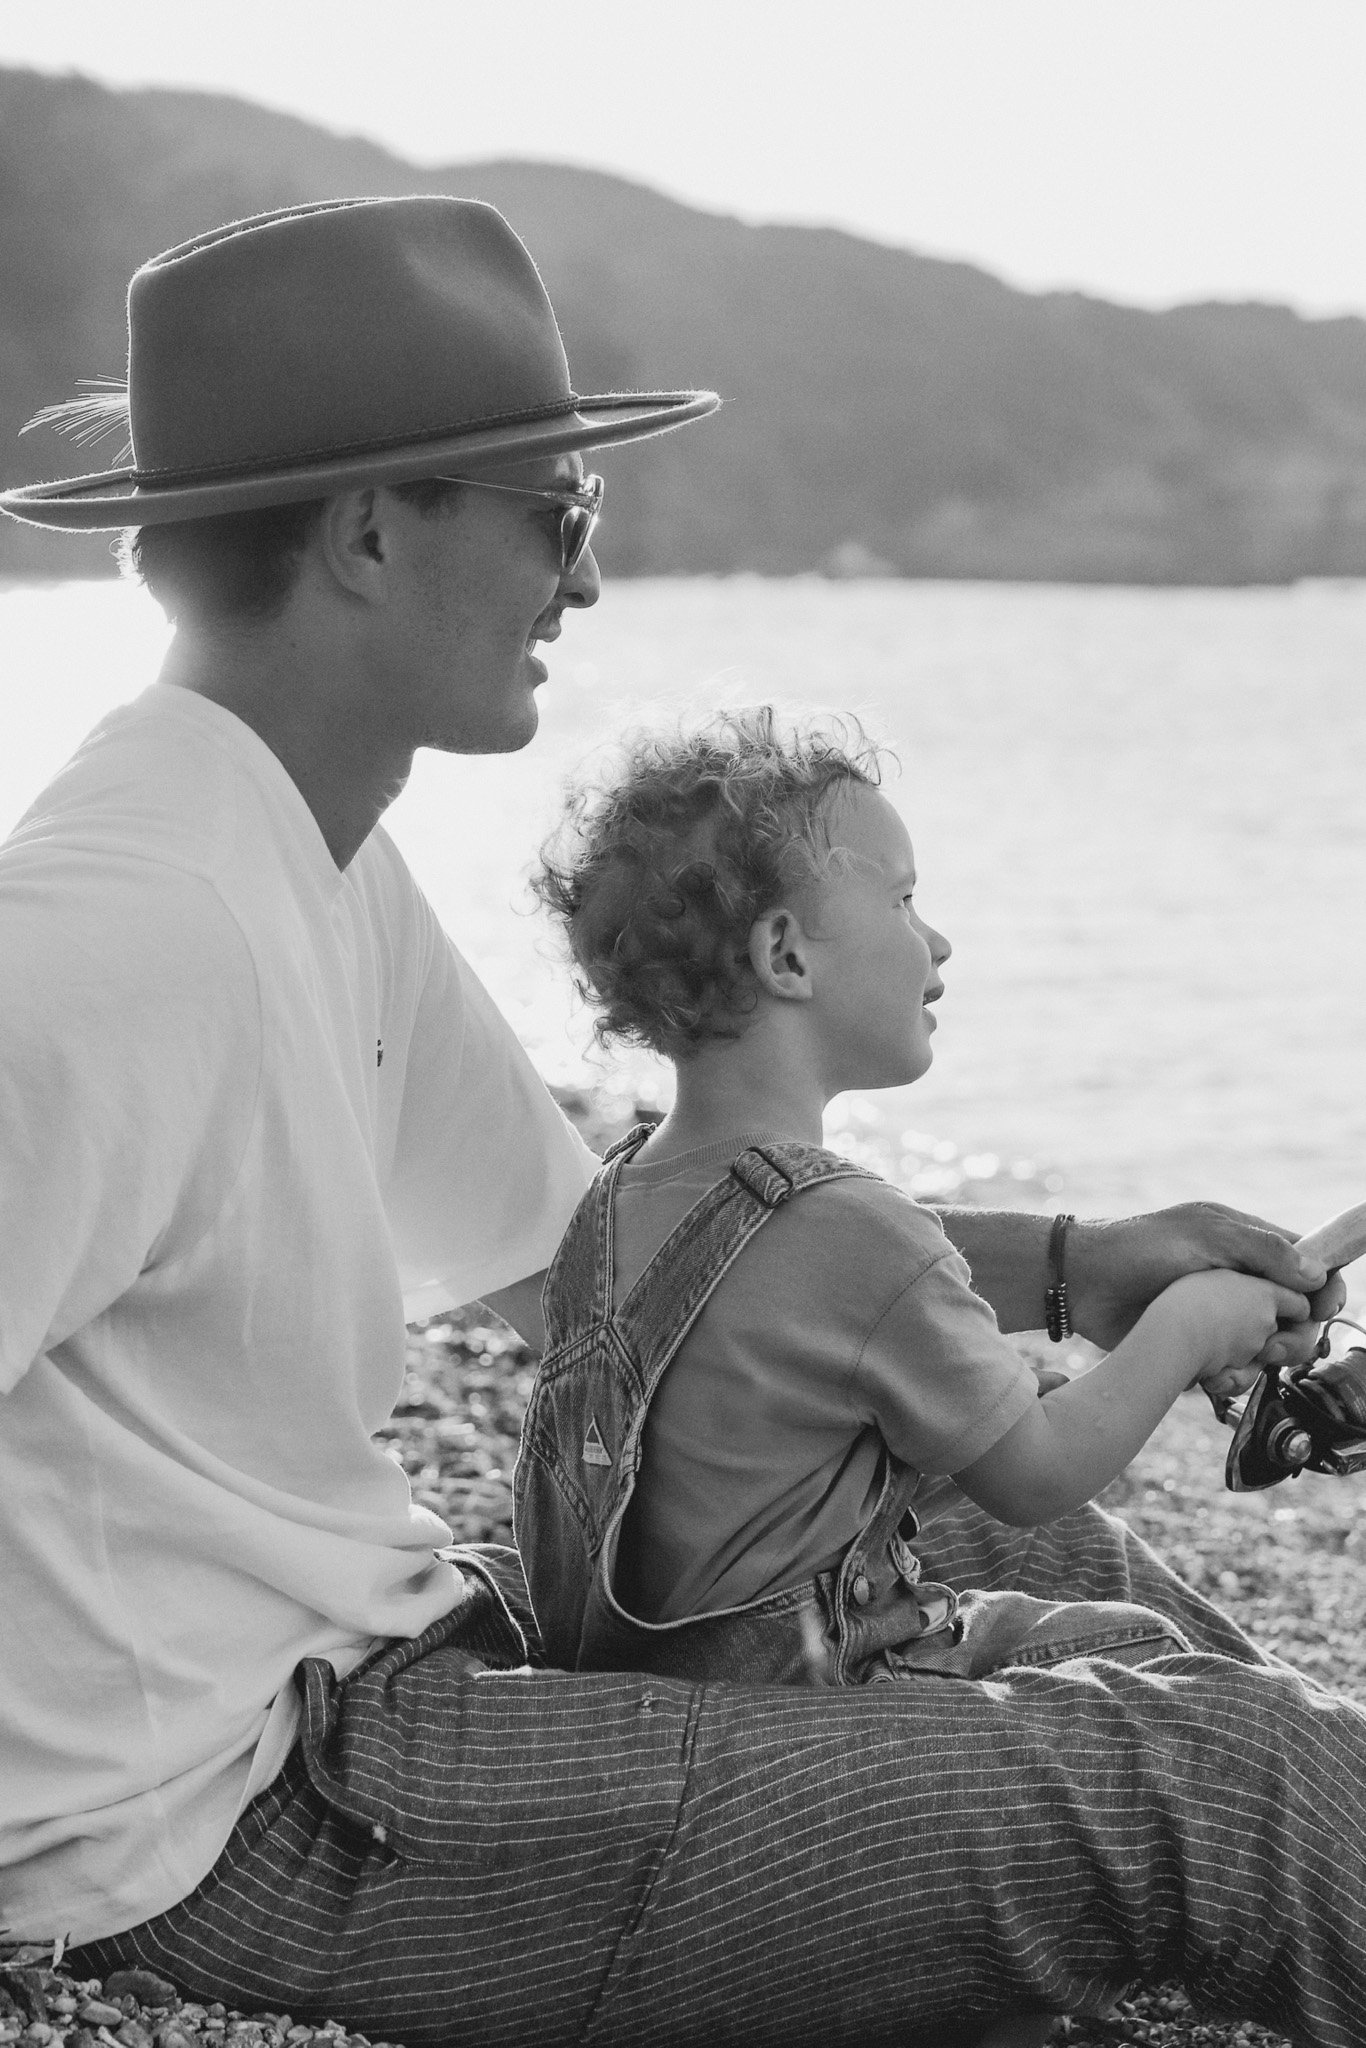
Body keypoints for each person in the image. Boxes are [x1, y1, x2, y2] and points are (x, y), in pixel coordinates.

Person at [0, 193, 1362, 2048]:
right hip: (249, 1823)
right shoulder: (114, 933)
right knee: (1221, 1785)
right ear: (371, 530)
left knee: (1050, 1564)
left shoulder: (296, 850)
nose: (583, 582)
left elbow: (635, 1266)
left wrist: (1071, 1262)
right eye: (559, 515)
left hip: (378, 1676)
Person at [515, 710, 1311, 1688]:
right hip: (819, 1693)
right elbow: (1036, 1474)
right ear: (787, 957)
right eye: (900, 901)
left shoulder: (616, 1203)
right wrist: (1189, 1324)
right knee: (1164, 1662)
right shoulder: (849, 1225)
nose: (936, 938)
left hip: (671, 1679)